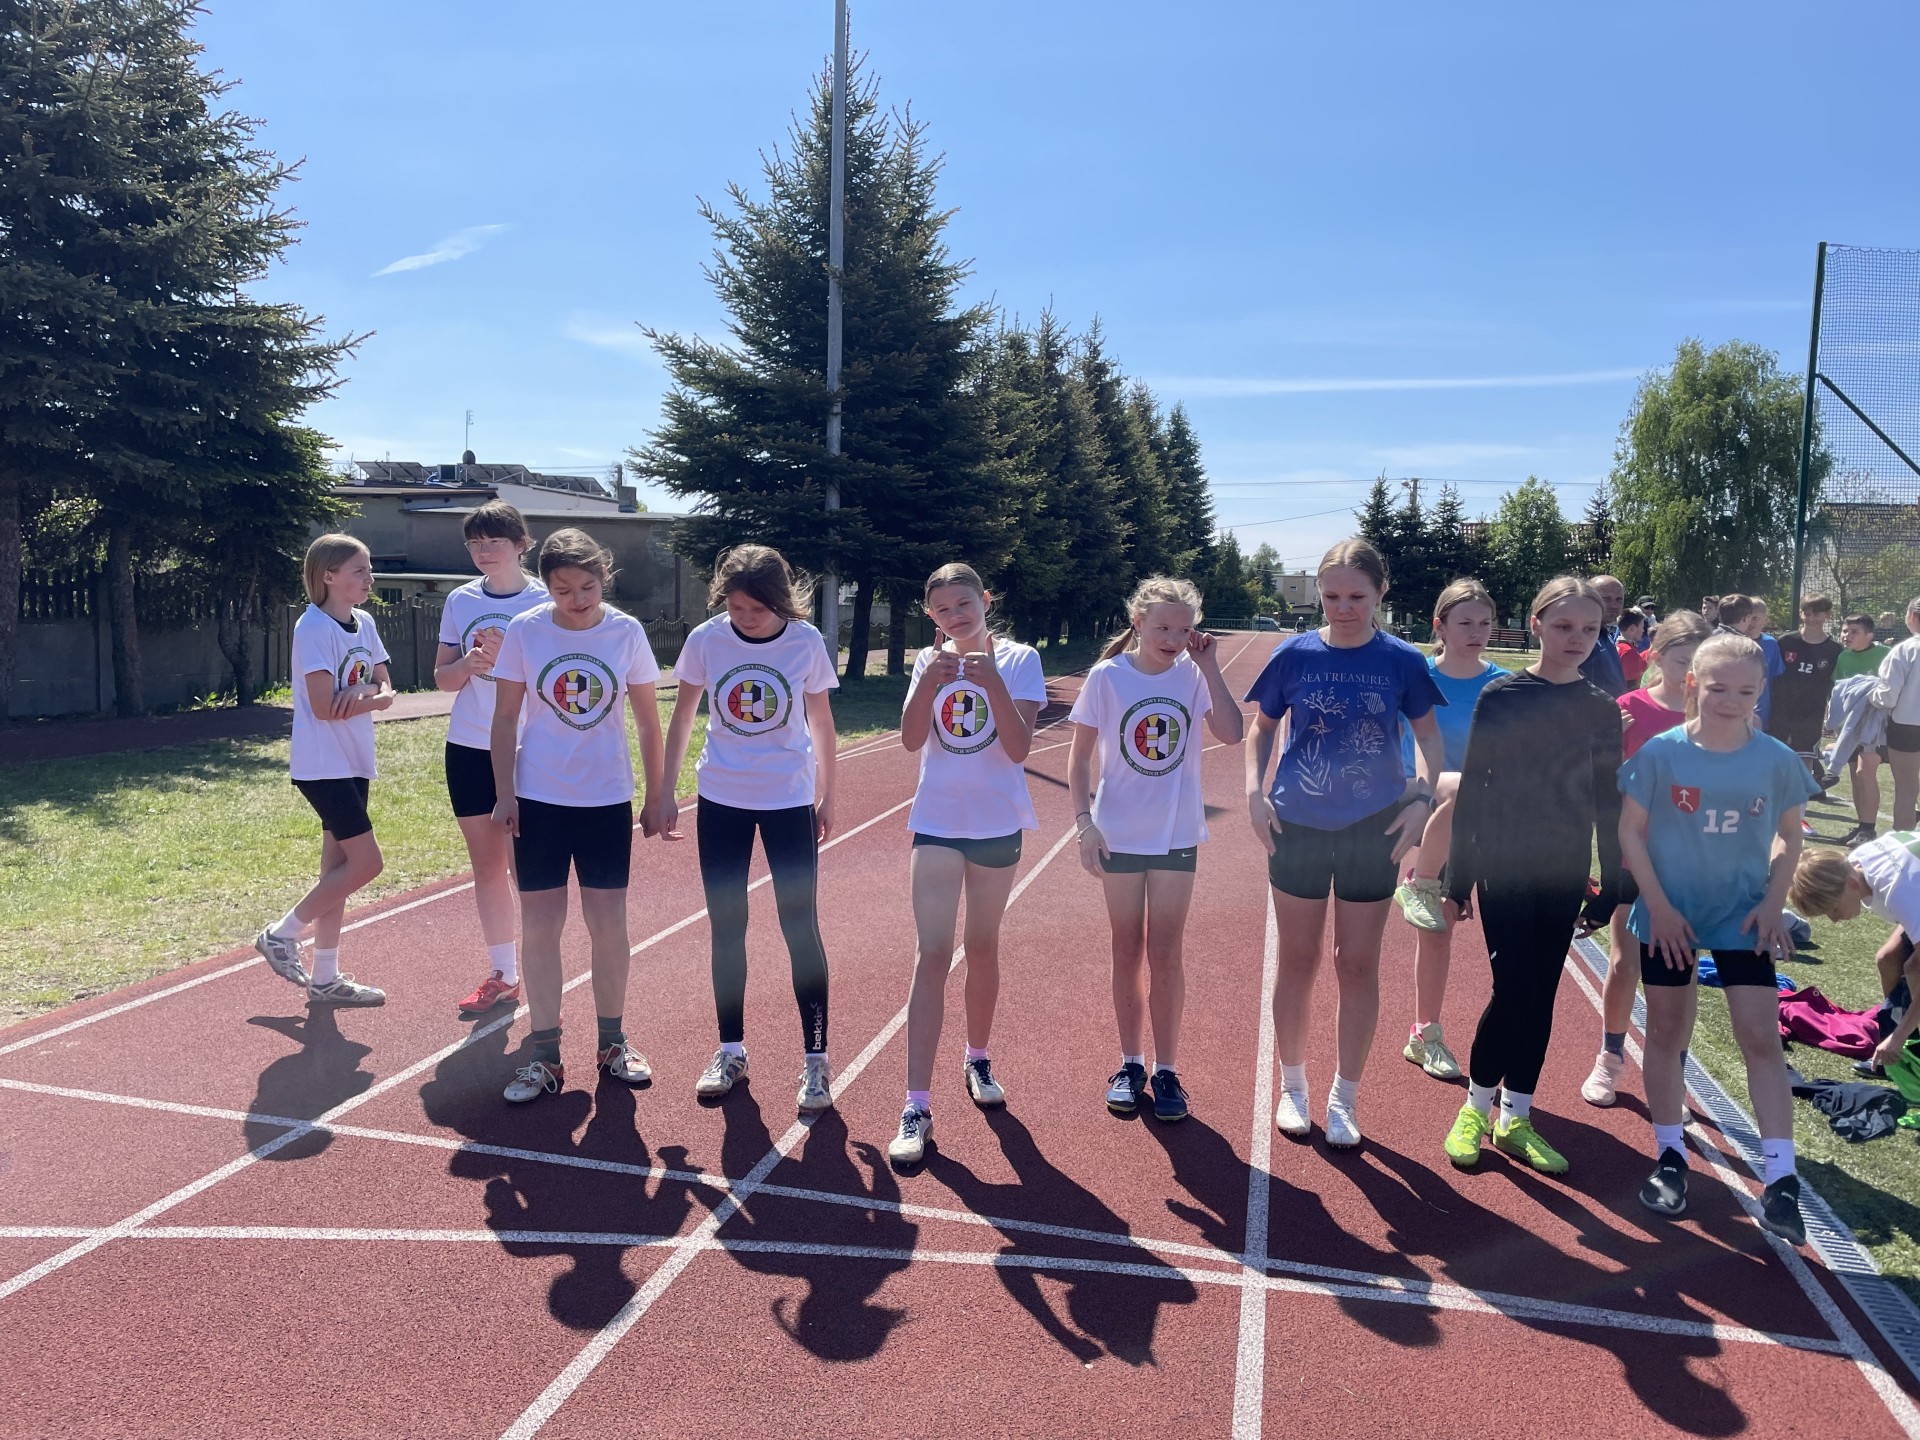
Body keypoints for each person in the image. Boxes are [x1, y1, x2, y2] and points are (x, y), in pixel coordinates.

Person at [1619, 633, 1818, 1244]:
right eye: (1718, 688)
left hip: (1743, 917)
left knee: (1760, 1036)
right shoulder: (1661, 753)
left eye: (1745, 691)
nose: (1731, 700)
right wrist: (1658, 906)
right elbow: (1630, 833)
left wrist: (1774, 902)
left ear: (1762, 691)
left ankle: (1781, 1178)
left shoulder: (1777, 759)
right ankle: (1669, 1156)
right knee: (1667, 1032)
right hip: (1669, 915)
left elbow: (1790, 835)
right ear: (1691, 685)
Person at [1246, 539, 1445, 1148]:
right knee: (1298, 960)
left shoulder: (1403, 661)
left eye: (1357, 595)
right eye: (1331, 595)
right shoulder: (1293, 655)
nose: (1342, 607)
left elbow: (1430, 742)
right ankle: (1293, 1087)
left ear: (1381, 592)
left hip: (1372, 827)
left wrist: (1422, 801)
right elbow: (1262, 730)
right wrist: (1253, 792)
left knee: (1356, 964)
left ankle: (1345, 1097)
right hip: (1298, 825)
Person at [1440, 577, 1622, 1174]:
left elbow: (1608, 802)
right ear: (1537, 624)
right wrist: (1457, 878)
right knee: (1513, 988)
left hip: (1563, 870)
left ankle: (1516, 1116)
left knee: (1541, 994)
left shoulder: (1600, 708)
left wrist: (1613, 884)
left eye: (1589, 629)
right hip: (1504, 867)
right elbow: (1474, 790)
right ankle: (1476, 1107)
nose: (1576, 638)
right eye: (1564, 626)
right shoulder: (1502, 696)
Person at [488, 529, 667, 1103]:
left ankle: (613, 1043)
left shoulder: (626, 632)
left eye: (587, 587)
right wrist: (505, 793)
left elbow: (647, 721)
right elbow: (504, 717)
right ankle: (544, 1055)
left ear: (603, 578)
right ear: (545, 586)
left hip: (605, 800)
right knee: (541, 927)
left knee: (608, 924)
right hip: (538, 800)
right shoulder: (525, 630)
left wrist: (658, 793)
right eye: (563, 590)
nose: (577, 599)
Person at [663, 545, 842, 1114]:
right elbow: (683, 714)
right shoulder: (707, 640)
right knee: (726, 925)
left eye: (757, 610)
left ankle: (816, 1059)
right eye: (735, 608)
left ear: (781, 601)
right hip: (722, 798)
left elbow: (821, 721)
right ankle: (730, 1051)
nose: (745, 618)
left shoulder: (805, 642)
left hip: (788, 799)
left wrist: (828, 795)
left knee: (799, 926)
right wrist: (664, 791)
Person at [887, 563, 1048, 1165]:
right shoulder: (926, 663)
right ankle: (916, 1105)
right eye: (942, 609)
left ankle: (977, 1057)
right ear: (931, 616)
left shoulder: (1021, 659)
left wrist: (993, 683)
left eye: (964, 604)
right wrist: (928, 682)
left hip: (996, 825)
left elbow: (1018, 746)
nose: (955, 616)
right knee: (931, 954)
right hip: (936, 824)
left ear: (986, 600)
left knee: (981, 947)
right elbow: (909, 740)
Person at [1069, 578, 1242, 1123]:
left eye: (1184, 629)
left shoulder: (1193, 675)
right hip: (1117, 834)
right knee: (1126, 948)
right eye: (1162, 626)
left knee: (1166, 950)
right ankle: (1130, 1064)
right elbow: (1078, 759)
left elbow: (1232, 733)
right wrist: (1083, 824)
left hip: (1175, 834)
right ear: (1138, 622)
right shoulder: (1107, 677)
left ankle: (1167, 1069)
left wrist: (1209, 666)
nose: (1173, 638)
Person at [1580, 609, 1714, 1106]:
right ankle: (1610, 1058)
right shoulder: (1629, 708)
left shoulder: (1717, 714)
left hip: (1692, 864)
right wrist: (1606, 744)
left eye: (1701, 662)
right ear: (1655, 656)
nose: (1692, 672)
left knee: (1682, 972)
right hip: (1632, 857)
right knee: (1625, 962)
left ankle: (1673, 1071)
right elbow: (1600, 783)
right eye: (1682, 661)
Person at [255, 535, 395, 1006]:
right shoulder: (313, 626)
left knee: (337, 869)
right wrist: (373, 699)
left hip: (354, 759)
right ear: (329, 576)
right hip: (322, 764)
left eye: (369, 569)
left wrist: (365, 694)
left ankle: (325, 978)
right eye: (360, 571)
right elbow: (323, 707)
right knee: (367, 864)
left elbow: (385, 683)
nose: (370, 579)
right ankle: (281, 933)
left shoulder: (365, 622)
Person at [434, 501, 548, 1015]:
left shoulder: (545, 600)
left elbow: (558, 681)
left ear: (521, 544)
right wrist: (467, 663)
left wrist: (508, 662)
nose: (484, 552)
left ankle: (543, 974)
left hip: (529, 746)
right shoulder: (460, 600)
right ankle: (504, 972)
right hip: (468, 746)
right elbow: (442, 679)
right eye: (475, 543)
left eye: (494, 541)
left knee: (529, 869)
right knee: (487, 866)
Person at [1392, 578, 1503, 1082]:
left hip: (1482, 821)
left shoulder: (1504, 685)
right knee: (1435, 931)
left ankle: (1439, 1038)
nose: (1477, 632)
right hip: (1424, 800)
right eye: (1465, 623)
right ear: (1439, 626)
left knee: (1455, 929)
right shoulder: (1418, 679)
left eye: (1485, 623)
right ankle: (1427, 1033)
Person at [1789, 834, 1920, 1075]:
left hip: (1910, 890)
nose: (1834, 919)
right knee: (1887, 958)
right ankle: (1896, 1056)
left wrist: (1899, 1036)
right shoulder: (1855, 863)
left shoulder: (1897, 889)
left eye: (1833, 909)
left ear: (1851, 884)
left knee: (1914, 969)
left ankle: (1904, 1046)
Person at [1836, 614, 1892, 844]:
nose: (1846, 636)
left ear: (1869, 635)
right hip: (1851, 727)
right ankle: (1862, 827)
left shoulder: (1885, 654)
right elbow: (1838, 692)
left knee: (1864, 771)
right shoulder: (1843, 657)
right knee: (1855, 775)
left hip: (1877, 726)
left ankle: (1869, 830)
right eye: (1845, 631)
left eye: (1854, 632)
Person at [1771, 595, 1841, 759]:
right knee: (1776, 758)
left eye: (1817, 614)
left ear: (1828, 615)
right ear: (1800, 613)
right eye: (1807, 614)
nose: (1811, 619)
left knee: (1805, 758)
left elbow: (1833, 686)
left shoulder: (1834, 649)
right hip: (1781, 711)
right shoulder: (1785, 642)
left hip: (1811, 714)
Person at [1872, 599, 1920, 833]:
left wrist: (1870, 696)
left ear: (1911, 617)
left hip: (1907, 726)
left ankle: (1903, 840)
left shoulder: (1905, 649)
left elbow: (1888, 697)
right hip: (1908, 724)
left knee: (1906, 788)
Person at [1578, 574, 1629, 698]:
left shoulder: (1605, 636)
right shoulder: (1581, 638)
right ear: (1588, 599)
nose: (1614, 605)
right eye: (1606, 599)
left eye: (1618, 599)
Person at [1616, 609, 1649, 687]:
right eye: (1642, 627)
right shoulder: (1629, 652)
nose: (1643, 630)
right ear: (1632, 628)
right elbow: (1631, 686)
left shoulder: (1618, 647)